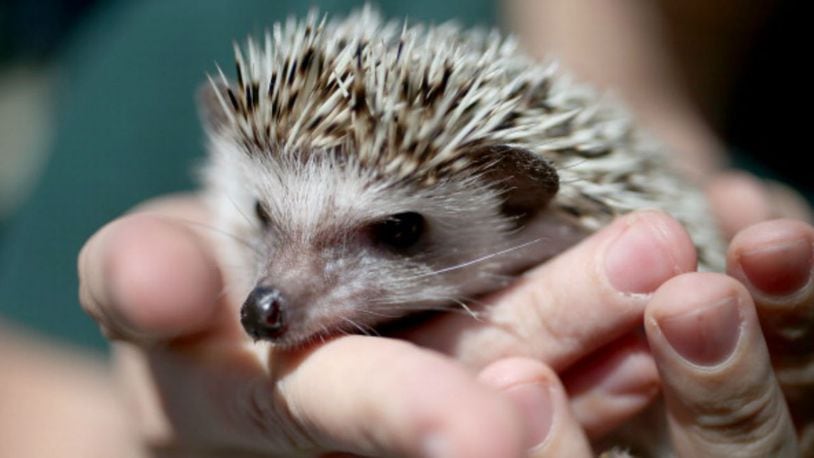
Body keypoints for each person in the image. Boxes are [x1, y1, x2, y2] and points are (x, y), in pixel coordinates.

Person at [1, 0, 812, 456]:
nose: (273, 294)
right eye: (263, 220)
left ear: (521, 205)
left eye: (395, 234)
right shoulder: (191, 31)